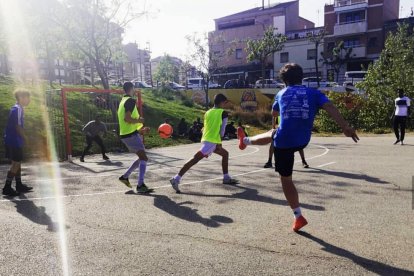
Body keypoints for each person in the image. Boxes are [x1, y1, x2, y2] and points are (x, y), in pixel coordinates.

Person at [238, 63, 359, 232]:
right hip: (303, 140)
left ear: (284, 81)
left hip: (284, 141)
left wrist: (282, 112)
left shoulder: (280, 94)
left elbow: (274, 113)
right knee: (274, 133)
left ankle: (298, 216)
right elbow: (330, 107)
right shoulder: (314, 93)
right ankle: (246, 141)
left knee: (286, 178)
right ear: (301, 78)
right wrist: (345, 127)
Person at [170, 94, 239, 193]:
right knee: (195, 159)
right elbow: (222, 131)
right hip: (212, 141)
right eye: (225, 102)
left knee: (225, 154)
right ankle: (176, 179)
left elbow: (204, 128)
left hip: (207, 139)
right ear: (222, 102)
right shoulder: (223, 113)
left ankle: (226, 177)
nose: (226, 105)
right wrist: (219, 142)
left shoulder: (208, 112)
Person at [117, 81, 153, 194]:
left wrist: (141, 130)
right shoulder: (130, 101)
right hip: (130, 135)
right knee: (144, 158)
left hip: (127, 134)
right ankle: (140, 185)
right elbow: (127, 119)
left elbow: (127, 122)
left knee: (141, 157)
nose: (135, 91)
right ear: (131, 89)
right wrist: (139, 120)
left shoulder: (122, 101)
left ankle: (125, 177)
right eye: (134, 89)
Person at [3, 89, 33, 196]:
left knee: (17, 162)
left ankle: (19, 185)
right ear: (21, 98)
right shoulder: (18, 109)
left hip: (13, 140)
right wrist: (25, 138)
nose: (29, 100)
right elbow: (18, 126)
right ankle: (7, 187)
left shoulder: (17, 108)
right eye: (27, 97)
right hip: (14, 140)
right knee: (16, 164)